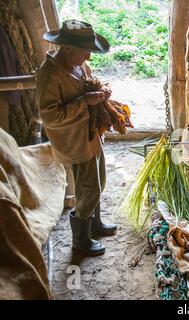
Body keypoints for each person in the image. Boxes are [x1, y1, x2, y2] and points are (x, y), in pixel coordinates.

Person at [36, 20, 117, 256]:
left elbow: (87, 84)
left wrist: (101, 91)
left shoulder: (77, 65)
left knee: (98, 181)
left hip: (90, 134)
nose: (89, 58)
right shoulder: (50, 75)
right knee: (88, 188)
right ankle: (80, 240)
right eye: (85, 52)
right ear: (68, 47)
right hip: (74, 139)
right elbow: (49, 116)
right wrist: (84, 102)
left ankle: (95, 224)